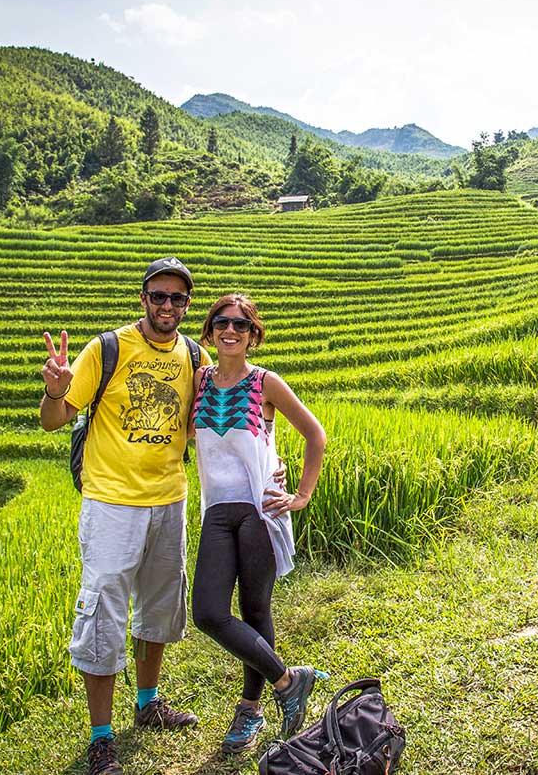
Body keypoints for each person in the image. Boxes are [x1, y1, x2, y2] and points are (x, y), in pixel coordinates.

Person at [39, 257, 205, 775]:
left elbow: (202, 429)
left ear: (186, 304)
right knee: (103, 613)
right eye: (159, 296)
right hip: (111, 503)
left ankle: (148, 703)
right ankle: (101, 736)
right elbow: (53, 421)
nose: (168, 306)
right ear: (143, 299)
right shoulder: (107, 349)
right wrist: (54, 386)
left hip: (170, 498)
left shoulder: (193, 356)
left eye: (178, 298)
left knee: (159, 605)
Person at [189, 293, 328, 754]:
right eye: (222, 323)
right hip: (216, 511)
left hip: (260, 512)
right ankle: (290, 681)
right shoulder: (199, 380)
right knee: (208, 612)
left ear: (253, 335)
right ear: (210, 331)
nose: (231, 331)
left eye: (241, 325)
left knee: (254, 610)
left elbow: (315, 434)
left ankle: (249, 710)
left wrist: (301, 495)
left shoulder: (266, 383)